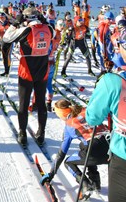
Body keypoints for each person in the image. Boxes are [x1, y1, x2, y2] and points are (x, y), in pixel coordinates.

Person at [2, 7, 54, 145]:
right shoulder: (49, 29)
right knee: (41, 103)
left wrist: (15, 24)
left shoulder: (25, 30)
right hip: (43, 68)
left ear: (25, 19)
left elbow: (6, 38)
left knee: (23, 104)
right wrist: (43, 20)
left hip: (27, 70)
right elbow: (52, 31)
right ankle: (41, 133)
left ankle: (22, 133)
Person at [86, 29, 126, 201]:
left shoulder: (112, 81)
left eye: (120, 46)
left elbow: (92, 117)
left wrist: (101, 92)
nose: (117, 49)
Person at [41, 99, 110, 198]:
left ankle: (86, 185)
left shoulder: (69, 124)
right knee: (86, 151)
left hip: (93, 150)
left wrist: (51, 174)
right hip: (109, 148)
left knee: (68, 162)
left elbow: (62, 153)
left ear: (62, 114)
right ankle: (95, 183)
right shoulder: (86, 110)